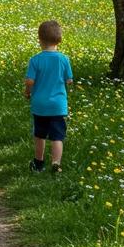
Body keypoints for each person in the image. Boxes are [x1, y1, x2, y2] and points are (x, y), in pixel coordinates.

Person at [25, 19, 73, 174]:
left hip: (40, 105)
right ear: (59, 39)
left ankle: (38, 163)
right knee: (57, 137)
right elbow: (69, 80)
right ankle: (56, 164)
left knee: (40, 135)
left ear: (39, 39)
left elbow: (30, 80)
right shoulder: (64, 59)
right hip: (58, 105)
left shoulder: (35, 60)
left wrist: (28, 91)